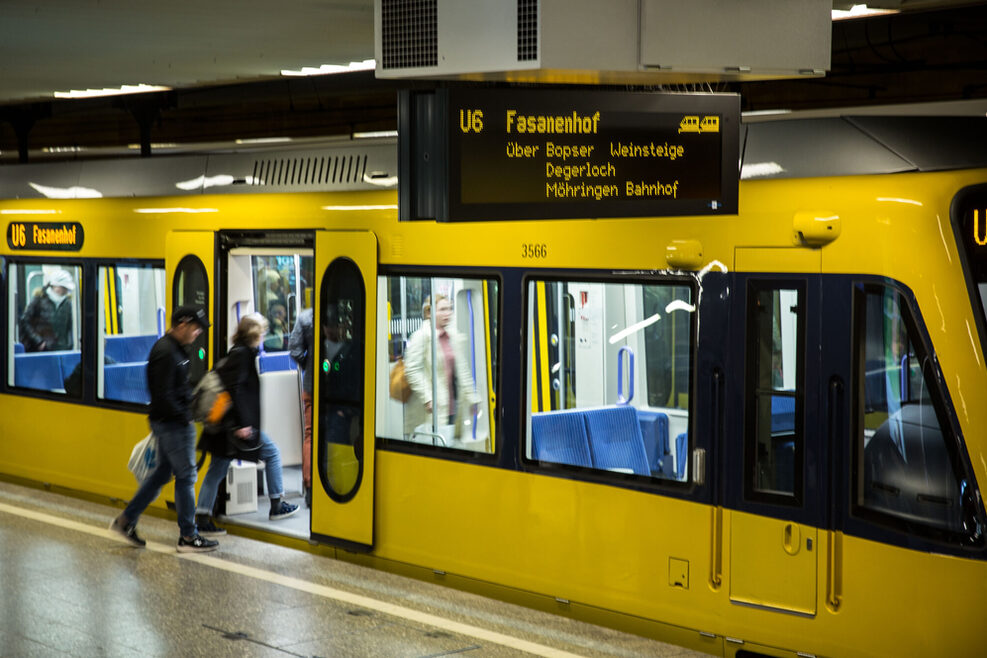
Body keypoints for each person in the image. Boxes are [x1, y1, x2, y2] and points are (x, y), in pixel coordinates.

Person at [109, 306, 218, 553]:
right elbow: (163, 395)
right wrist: (186, 416)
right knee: (187, 476)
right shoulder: (165, 352)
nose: (198, 332)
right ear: (181, 324)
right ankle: (189, 537)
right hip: (172, 424)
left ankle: (125, 521)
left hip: (173, 421)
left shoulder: (176, 349)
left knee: (161, 475)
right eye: (195, 327)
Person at [194, 313, 299, 534]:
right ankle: (277, 505)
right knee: (272, 452)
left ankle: (202, 516)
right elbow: (235, 390)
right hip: (234, 427)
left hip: (224, 426)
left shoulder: (237, 352)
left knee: (217, 469)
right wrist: (242, 424)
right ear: (254, 334)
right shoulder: (242, 355)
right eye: (262, 332)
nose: (264, 336)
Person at [402, 294, 478, 442]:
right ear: (430, 313)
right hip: (432, 408)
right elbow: (411, 369)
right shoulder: (422, 336)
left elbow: (462, 369)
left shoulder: (452, 336)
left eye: (450, 309)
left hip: (452, 405)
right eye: (442, 309)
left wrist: (472, 396)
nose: (447, 313)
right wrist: (428, 398)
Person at [288, 307, 314, 507]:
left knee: (310, 435)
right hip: (340, 386)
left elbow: (295, 349)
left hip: (311, 385)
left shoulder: (305, 317)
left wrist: (309, 365)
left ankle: (311, 487)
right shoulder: (342, 311)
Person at [19, 268, 75, 352]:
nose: (64, 291)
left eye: (66, 288)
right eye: (62, 287)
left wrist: (69, 346)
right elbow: (25, 322)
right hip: (40, 349)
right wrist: (38, 341)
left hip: (61, 349)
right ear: (54, 285)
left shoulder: (67, 304)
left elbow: (69, 328)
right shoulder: (39, 299)